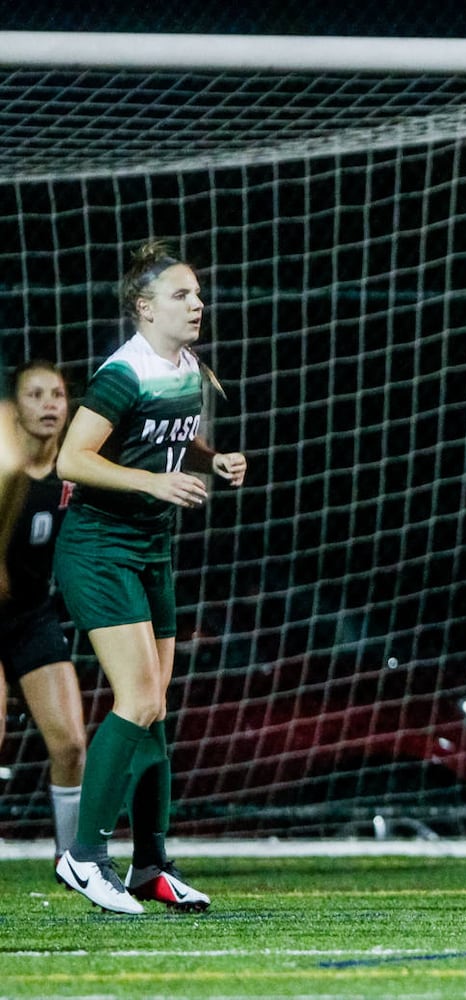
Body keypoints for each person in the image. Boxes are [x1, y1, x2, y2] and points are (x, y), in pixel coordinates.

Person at [52, 240, 246, 914]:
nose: (197, 304)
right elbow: (73, 460)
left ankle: (151, 865)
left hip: (151, 550)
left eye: (197, 294)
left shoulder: (189, 369)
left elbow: (167, 436)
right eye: (181, 295)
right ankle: (82, 858)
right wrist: (153, 483)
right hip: (98, 550)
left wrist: (213, 458)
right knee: (135, 701)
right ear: (143, 308)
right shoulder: (123, 372)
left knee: (155, 711)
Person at [0, 360, 87, 869]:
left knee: (72, 744)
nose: (48, 404)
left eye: (56, 393)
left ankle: (73, 859)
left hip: (32, 617)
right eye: (34, 395)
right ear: (15, 410)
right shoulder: (4, 469)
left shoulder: (76, 469)